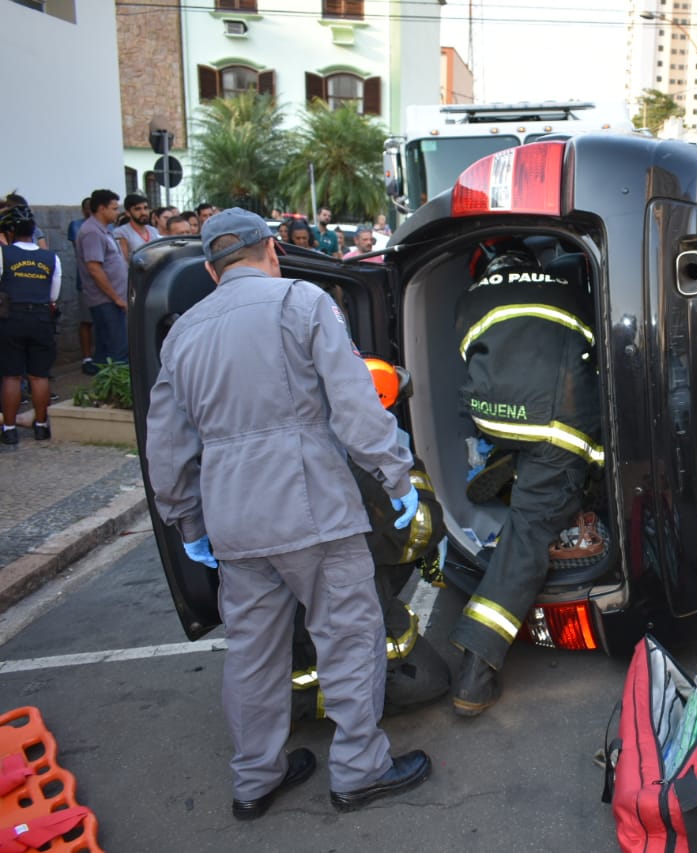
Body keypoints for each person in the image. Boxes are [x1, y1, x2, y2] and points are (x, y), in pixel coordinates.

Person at [144, 208, 431, 819]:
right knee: (348, 638)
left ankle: (255, 780)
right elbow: (355, 404)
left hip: (233, 521)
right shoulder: (302, 301)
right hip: (313, 510)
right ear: (271, 250)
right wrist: (395, 473)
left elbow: (166, 447)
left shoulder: (183, 332)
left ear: (212, 269)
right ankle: (360, 770)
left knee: (252, 653)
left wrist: (188, 522)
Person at [450, 241, 602, 715]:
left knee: (528, 439)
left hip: (493, 418)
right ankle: (476, 670)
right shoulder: (571, 289)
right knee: (531, 529)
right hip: (556, 426)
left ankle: (511, 461)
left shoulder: (472, 296)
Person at [0, 204, 61, 446]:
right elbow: (54, 295)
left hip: (12, 318)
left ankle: (9, 429)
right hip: (41, 318)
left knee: (11, 376)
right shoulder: (51, 257)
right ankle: (41, 426)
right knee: (39, 375)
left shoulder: (4, 254)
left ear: (10, 231)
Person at [75, 189, 128, 371]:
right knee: (116, 351)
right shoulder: (92, 232)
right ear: (101, 208)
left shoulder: (104, 230)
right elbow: (94, 268)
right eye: (114, 208)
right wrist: (116, 298)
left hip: (112, 299)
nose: (117, 212)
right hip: (105, 300)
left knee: (110, 349)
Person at [66, 197, 95, 373]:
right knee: (86, 321)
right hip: (85, 281)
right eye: (88, 208)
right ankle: (86, 357)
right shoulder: (77, 226)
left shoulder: (108, 227)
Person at [116, 193, 161, 261]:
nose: (143, 212)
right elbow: (123, 262)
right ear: (128, 213)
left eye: (145, 208)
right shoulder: (121, 233)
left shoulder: (153, 230)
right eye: (137, 209)